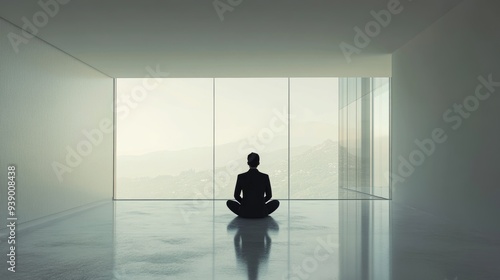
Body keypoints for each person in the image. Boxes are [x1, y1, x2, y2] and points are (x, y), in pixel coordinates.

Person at [226, 152, 280, 218]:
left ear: (248, 163)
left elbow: (236, 196)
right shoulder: (265, 177)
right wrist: (260, 202)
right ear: (258, 163)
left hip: (244, 212)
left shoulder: (241, 177)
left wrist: (244, 203)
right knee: (276, 202)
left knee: (229, 202)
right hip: (261, 212)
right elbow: (269, 195)